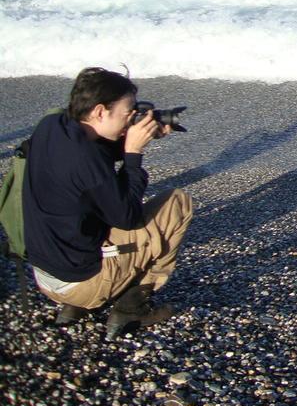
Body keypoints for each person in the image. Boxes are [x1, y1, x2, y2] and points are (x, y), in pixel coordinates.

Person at [22, 67, 193, 338]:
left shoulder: (51, 126)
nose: (130, 119)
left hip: (45, 274)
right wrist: (133, 152)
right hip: (81, 282)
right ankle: (131, 307)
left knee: (91, 211)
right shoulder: (86, 162)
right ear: (100, 111)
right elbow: (127, 216)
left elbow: (92, 162)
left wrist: (130, 136)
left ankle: (76, 306)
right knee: (177, 203)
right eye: (128, 113)